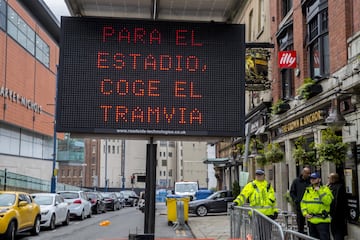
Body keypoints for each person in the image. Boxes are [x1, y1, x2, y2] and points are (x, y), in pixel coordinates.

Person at [233, 169, 278, 239]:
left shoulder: (268, 187)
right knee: (257, 236)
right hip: (256, 215)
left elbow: (273, 201)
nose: (258, 176)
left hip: (267, 216)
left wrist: (275, 211)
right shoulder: (251, 185)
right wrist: (236, 202)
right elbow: (243, 195)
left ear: (264, 175)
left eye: (260, 175)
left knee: (267, 236)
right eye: (257, 175)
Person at [301, 172, 333, 240]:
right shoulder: (308, 191)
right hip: (311, 220)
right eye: (311, 178)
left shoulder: (325, 189)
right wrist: (305, 213)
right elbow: (303, 203)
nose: (312, 180)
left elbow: (328, 202)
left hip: (322, 221)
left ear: (319, 180)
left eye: (314, 178)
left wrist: (320, 191)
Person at [290, 167, 311, 234]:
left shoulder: (311, 181)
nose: (308, 175)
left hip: (310, 206)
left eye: (309, 173)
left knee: (311, 225)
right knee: (300, 224)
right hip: (300, 206)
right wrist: (296, 200)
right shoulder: (296, 181)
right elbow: (292, 192)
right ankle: (300, 237)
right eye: (307, 173)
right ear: (303, 173)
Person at [327, 173, 348, 240]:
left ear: (333, 179)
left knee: (338, 233)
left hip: (338, 215)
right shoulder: (330, 187)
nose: (328, 179)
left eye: (329, 178)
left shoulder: (339, 187)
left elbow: (336, 202)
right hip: (333, 215)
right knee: (334, 231)